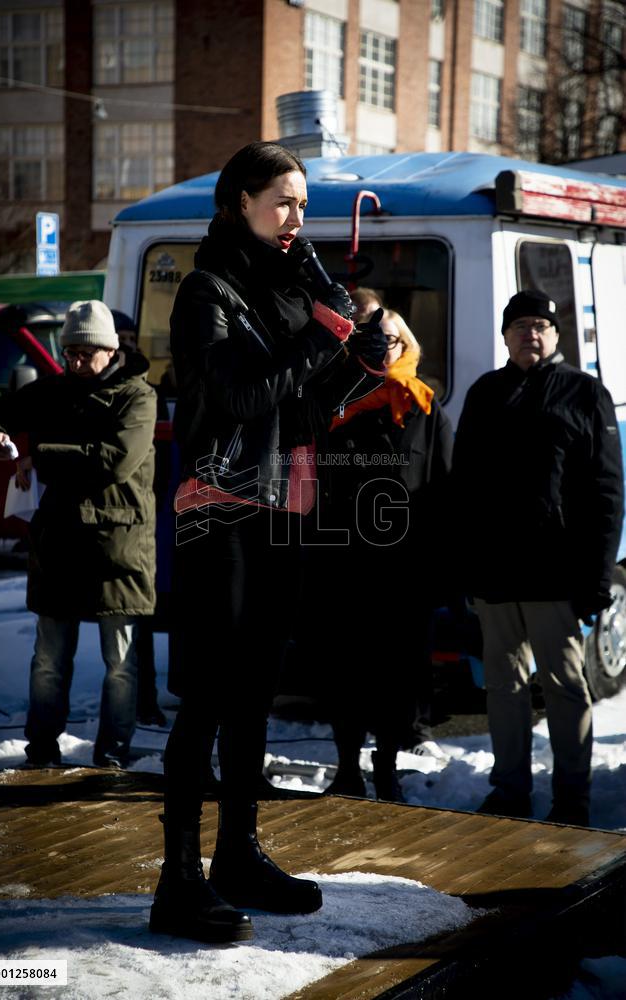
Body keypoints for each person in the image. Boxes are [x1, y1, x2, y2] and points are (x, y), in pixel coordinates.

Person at [150, 140, 387, 944]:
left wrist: (363, 364)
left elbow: (303, 413)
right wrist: (325, 340)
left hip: (283, 508)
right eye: (282, 200)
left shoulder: (287, 296)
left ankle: (237, 855)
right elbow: (243, 395)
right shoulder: (205, 292)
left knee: (253, 692)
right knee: (211, 695)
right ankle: (177, 882)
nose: (296, 218)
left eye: (303, 203)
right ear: (238, 202)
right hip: (220, 511)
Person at [452, 289, 624, 826]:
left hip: (556, 572)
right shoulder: (485, 393)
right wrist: (464, 565)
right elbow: (464, 487)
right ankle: (510, 791)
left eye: (542, 325)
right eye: (521, 325)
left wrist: (596, 574)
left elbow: (606, 492)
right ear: (505, 335)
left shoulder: (584, 393)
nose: (532, 333)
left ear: (555, 336)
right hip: (496, 572)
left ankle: (571, 796)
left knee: (565, 686)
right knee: (503, 687)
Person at [0, 300, 157, 769]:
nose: (74, 361)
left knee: (121, 664)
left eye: (84, 353)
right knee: (49, 659)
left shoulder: (138, 396)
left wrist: (41, 457)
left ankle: (111, 755)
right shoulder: (52, 390)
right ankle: (42, 750)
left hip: (120, 547)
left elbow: (113, 460)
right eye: (69, 351)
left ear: (110, 350)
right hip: (58, 543)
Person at [315, 309, 453, 800]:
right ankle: (347, 766)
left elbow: (443, 490)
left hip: (405, 571)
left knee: (398, 675)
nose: (383, 349)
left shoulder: (426, 407)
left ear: (406, 345)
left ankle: (387, 765)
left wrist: (440, 568)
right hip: (347, 566)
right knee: (345, 671)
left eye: (391, 341)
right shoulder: (335, 403)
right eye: (372, 342)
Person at [111, 308, 167, 729]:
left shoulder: (150, 390)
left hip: (148, 512)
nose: (128, 344)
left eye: (132, 337)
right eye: (120, 338)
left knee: (140, 617)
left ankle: (144, 701)